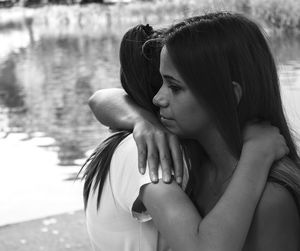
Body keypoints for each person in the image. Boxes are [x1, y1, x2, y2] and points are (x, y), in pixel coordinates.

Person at [81, 14, 298, 251]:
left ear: (226, 94)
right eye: (161, 82)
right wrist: (142, 120)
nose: (157, 98)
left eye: (174, 86)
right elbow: (101, 98)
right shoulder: (191, 168)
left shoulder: (271, 199)